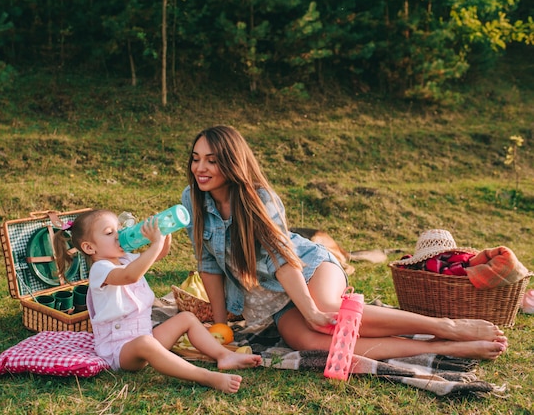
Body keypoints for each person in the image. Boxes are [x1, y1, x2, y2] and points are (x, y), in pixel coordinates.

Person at [181, 125, 508, 361]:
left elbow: (283, 260)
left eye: (211, 160)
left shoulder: (259, 199)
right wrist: (221, 325)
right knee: (307, 341)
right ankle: (442, 347)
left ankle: (448, 327)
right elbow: (209, 265)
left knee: (325, 311)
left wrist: (310, 309)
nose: (200, 168)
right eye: (196, 159)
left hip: (307, 268)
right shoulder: (192, 201)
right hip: (273, 299)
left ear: (232, 162)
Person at [53, 209, 262, 393]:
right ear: (90, 248)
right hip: (120, 351)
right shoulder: (100, 269)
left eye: (118, 228)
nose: (119, 235)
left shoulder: (125, 258)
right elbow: (129, 276)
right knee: (146, 343)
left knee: (187, 318)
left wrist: (164, 231)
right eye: (109, 233)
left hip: (147, 337)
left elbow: (159, 254)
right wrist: (155, 244)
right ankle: (206, 377)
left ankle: (223, 355)